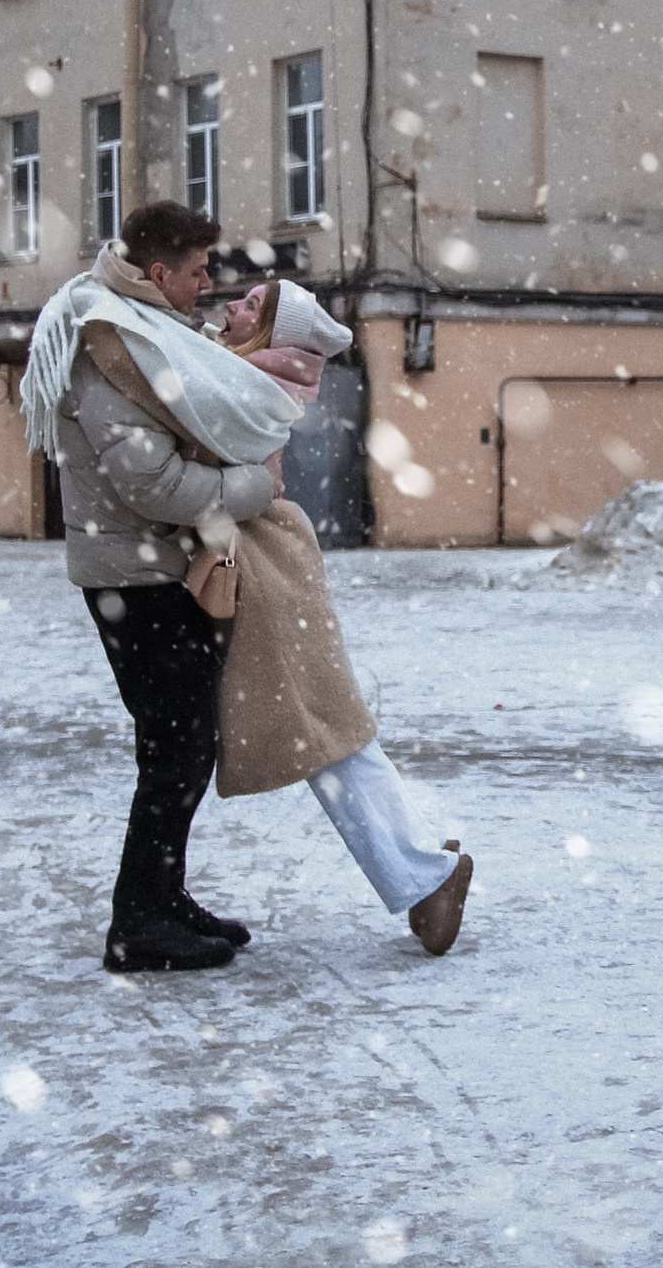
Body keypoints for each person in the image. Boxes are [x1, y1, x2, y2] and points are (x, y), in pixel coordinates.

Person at [20, 201, 301, 972]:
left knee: (178, 745)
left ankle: (161, 897)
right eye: (198, 270)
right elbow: (152, 482)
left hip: (154, 569)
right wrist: (253, 485)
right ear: (158, 274)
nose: (208, 282)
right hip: (136, 573)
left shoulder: (143, 331)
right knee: (179, 748)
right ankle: (139, 922)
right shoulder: (111, 343)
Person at [210, 278, 474, 958]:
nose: (231, 306)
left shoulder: (245, 383)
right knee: (329, 735)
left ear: (271, 336)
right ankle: (422, 867)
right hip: (268, 566)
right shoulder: (249, 373)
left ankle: (426, 875)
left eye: (250, 307)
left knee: (324, 738)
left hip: (267, 571)